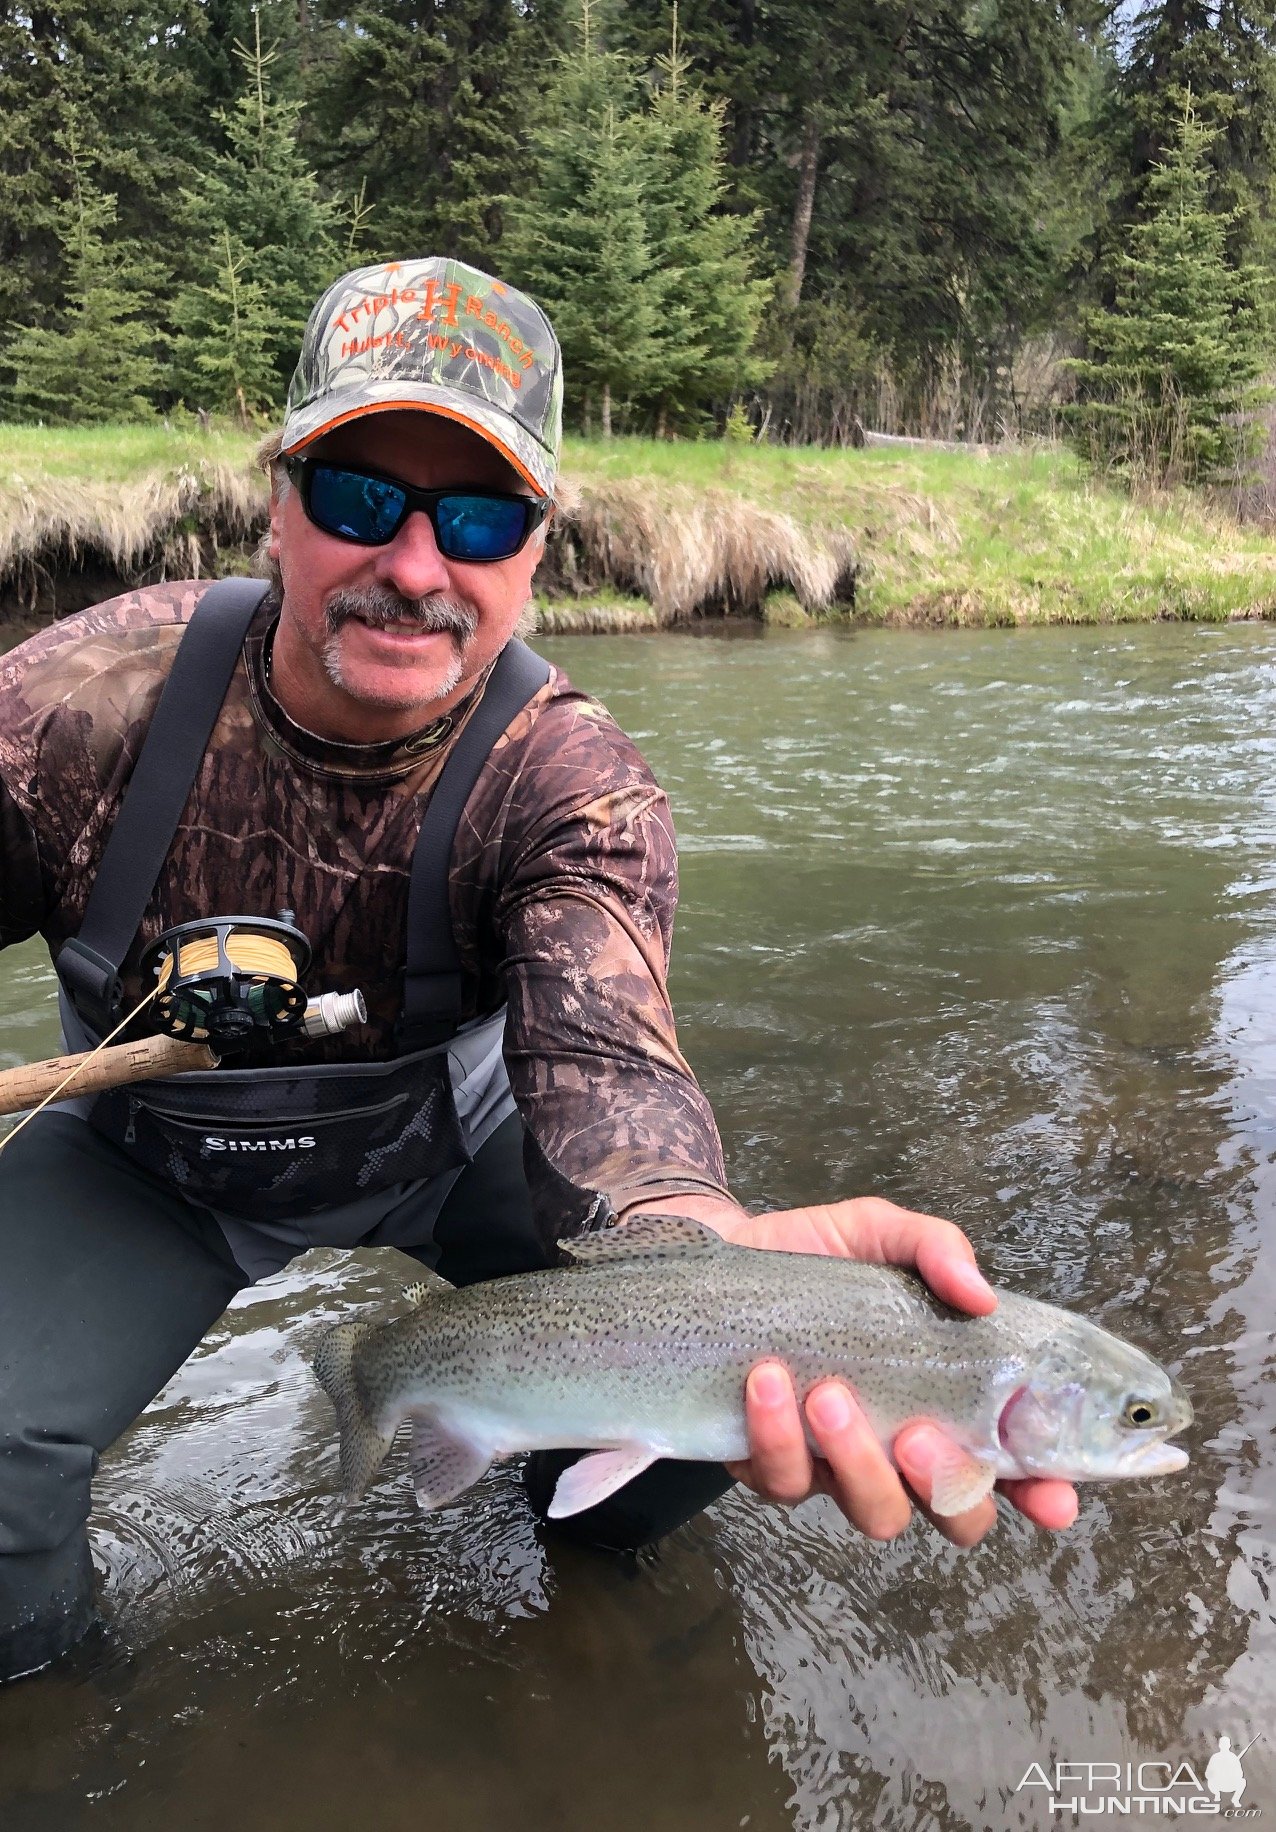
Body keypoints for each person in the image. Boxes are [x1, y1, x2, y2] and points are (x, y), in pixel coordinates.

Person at [0, 257, 1077, 1685]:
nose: (416, 566)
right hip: (148, 1160)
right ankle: (54, 1707)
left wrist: (707, 1251)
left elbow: (614, 1075)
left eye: (482, 516)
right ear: (279, 502)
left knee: (691, 1426)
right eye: (362, 496)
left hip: (457, 1148)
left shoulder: (575, 786)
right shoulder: (77, 705)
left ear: (535, 546)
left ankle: (592, 1623)